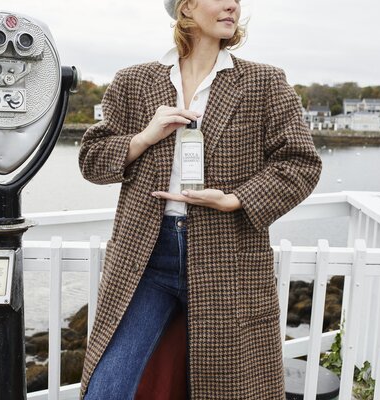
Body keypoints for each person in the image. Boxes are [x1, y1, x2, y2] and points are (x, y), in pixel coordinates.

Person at [77, 0, 322, 398]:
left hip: (227, 257)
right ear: (187, 7)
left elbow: (301, 164)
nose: (233, 6)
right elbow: (91, 160)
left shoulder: (265, 82)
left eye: (238, 1)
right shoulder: (133, 81)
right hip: (146, 257)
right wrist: (144, 137)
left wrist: (236, 199)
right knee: (108, 387)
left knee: (225, 388)